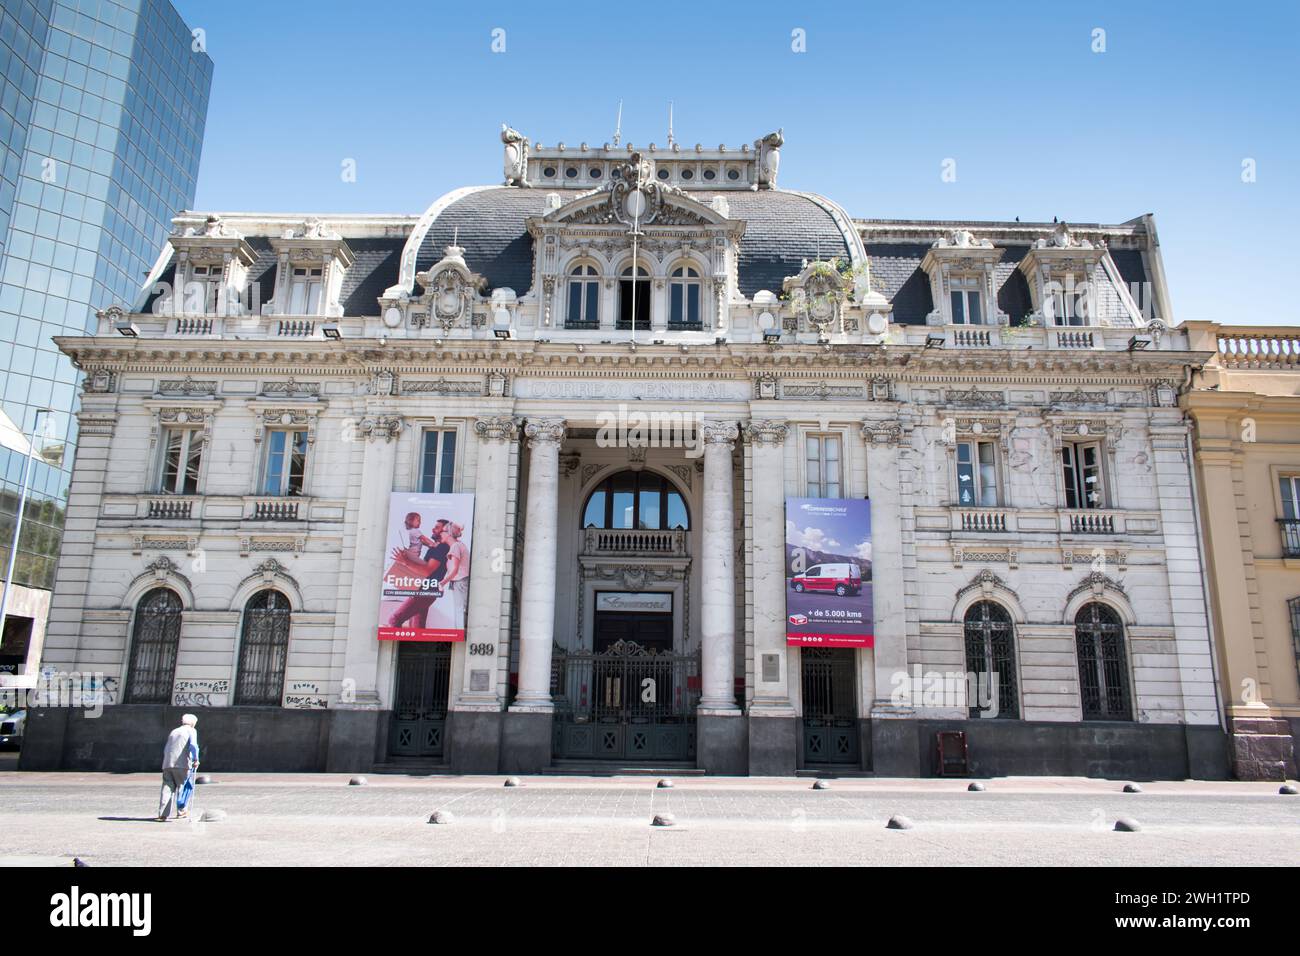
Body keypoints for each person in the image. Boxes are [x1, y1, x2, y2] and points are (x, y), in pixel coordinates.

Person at [386, 519, 451, 630]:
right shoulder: (438, 547)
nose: (433, 529)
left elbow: (426, 571)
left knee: (394, 619)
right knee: (417, 628)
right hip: (425, 590)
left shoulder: (442, 548)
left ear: (445, 531)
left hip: (426, 591)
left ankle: (398, 646)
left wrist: (405, 561)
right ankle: (416, 647)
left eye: (437, 527)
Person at [158, 714, 199, 822]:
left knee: (167, 789)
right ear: (193, 723)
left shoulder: (174, 731)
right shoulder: (191, 730)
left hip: (167, 763)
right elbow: (193, 746)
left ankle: (163, 814)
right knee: (183, 786)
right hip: (182, 764)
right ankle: (181, 811)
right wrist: (196, 759)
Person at [441, 522, 471, 631]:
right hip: (462, 581)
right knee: (461, 609)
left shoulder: (455, 547)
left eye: (442, 532)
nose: (441, 534)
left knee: (459, 609)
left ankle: (460, 633)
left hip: (459, 581)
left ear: (448, 533)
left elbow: (454, 570)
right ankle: (460, 632)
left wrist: (442, 583)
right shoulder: (459, 545)